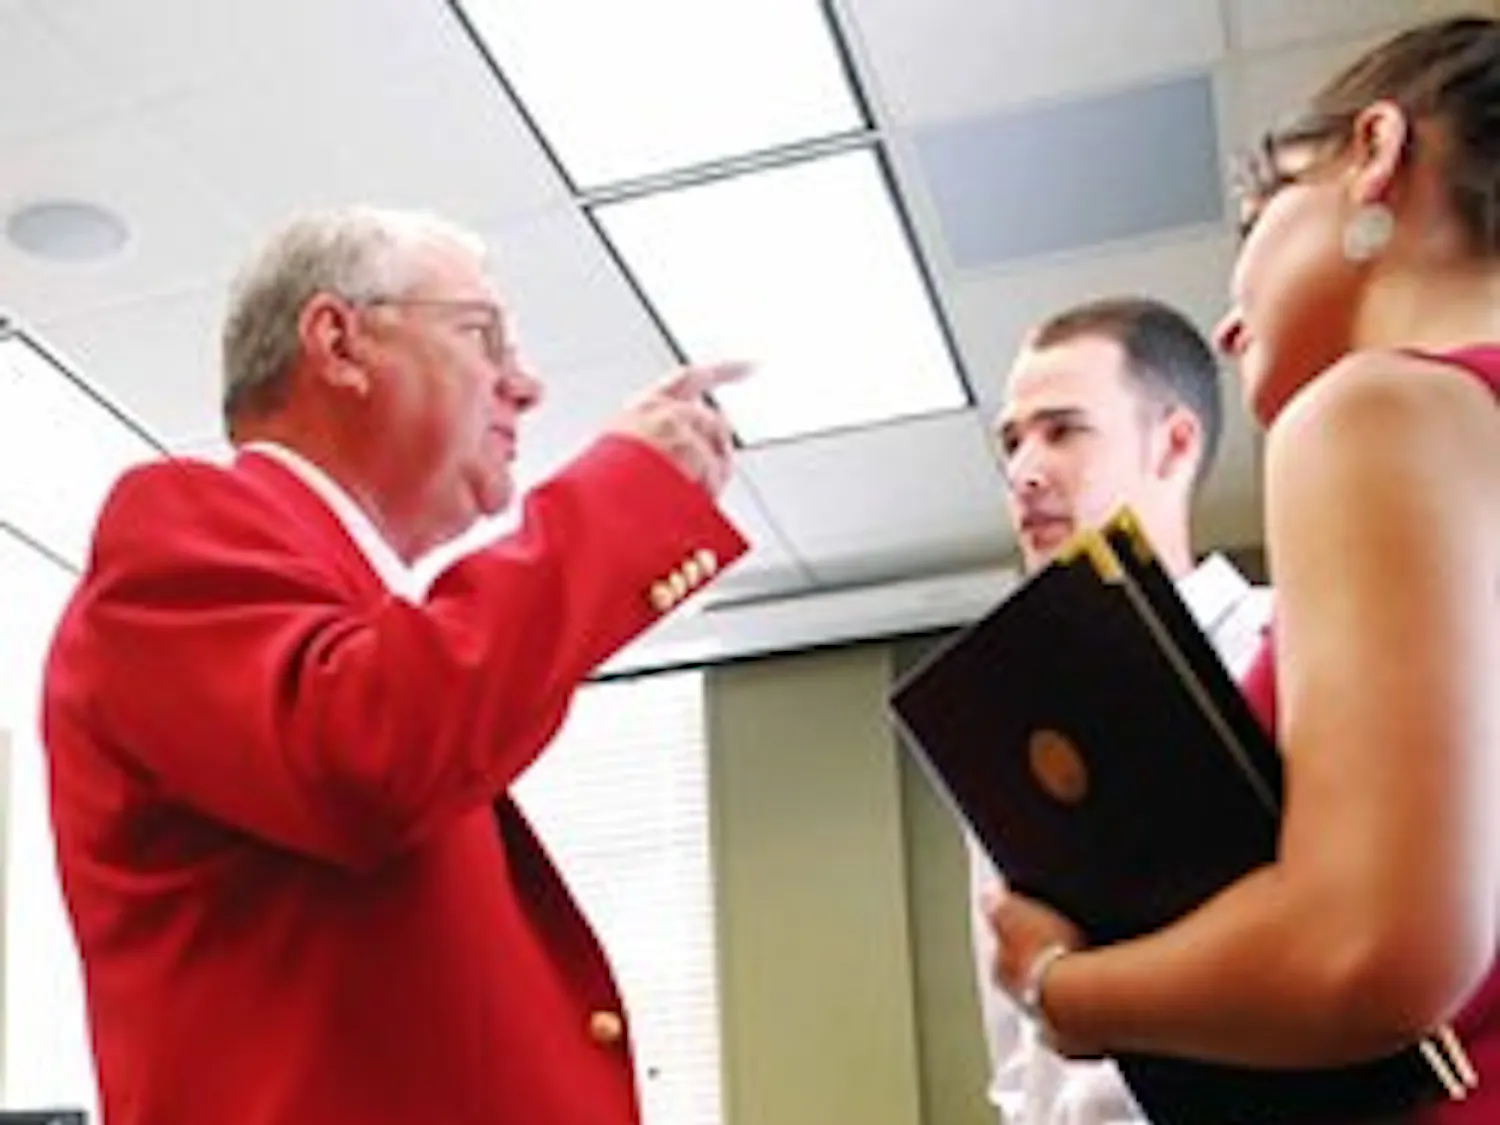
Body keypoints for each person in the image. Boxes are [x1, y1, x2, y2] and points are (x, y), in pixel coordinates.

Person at [42, 206, 749, 1125]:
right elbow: (371, 745)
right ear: (337, 341)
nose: (526, 385)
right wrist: (620, 501)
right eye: (482, 334)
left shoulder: (367, 619)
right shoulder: (172, 525)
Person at [986, 15, 1500, 1123]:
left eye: (1258, 221)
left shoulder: (1377, 410)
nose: (1227, 323)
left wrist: (1059, 990)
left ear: (1375, 153)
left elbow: (1377, 947)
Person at [969, 296, 1270, 1125]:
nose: (1024, 471)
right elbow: (1019, 1053)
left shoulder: (1292, 646)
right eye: (1011, 441)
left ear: (1173, 442)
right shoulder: (1005, 723)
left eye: (1062, 431)